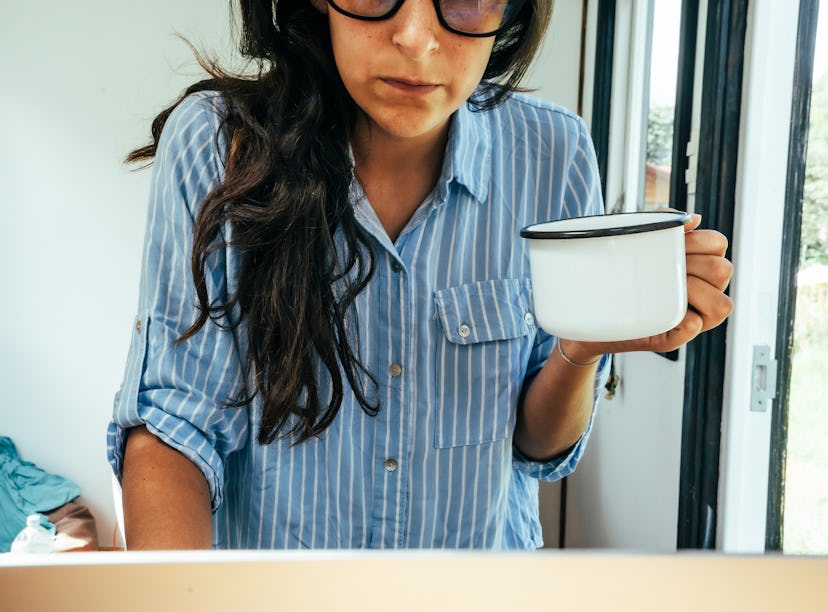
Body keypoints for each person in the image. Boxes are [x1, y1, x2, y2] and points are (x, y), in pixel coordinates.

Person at [109, 0, 733, 550]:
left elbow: (535, 447)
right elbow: (172, 432)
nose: (414, 36)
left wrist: (586, 345)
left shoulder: (555, 154)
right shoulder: (218, 146)